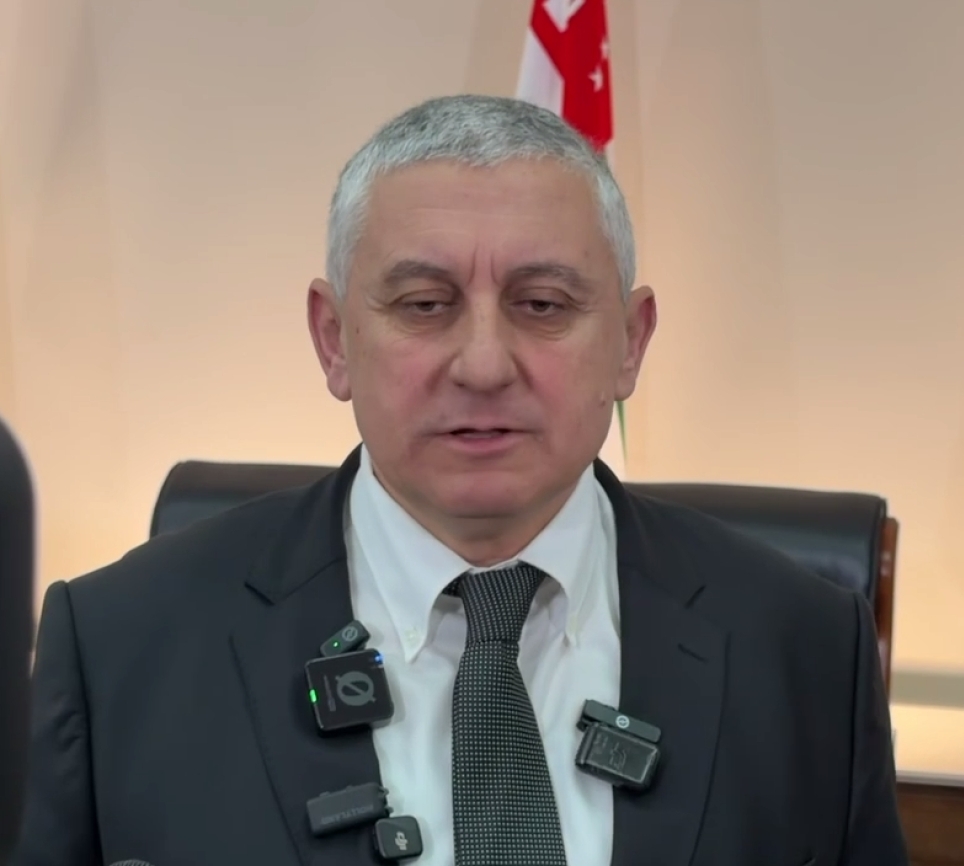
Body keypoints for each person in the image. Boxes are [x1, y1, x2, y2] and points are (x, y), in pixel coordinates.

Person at [13, 94, 908, 866]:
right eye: (424, 305)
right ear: (333, 339)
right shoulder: (118, 644)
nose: (483, 365)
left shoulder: (805, 649)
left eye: (543, 305)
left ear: (630, 343)